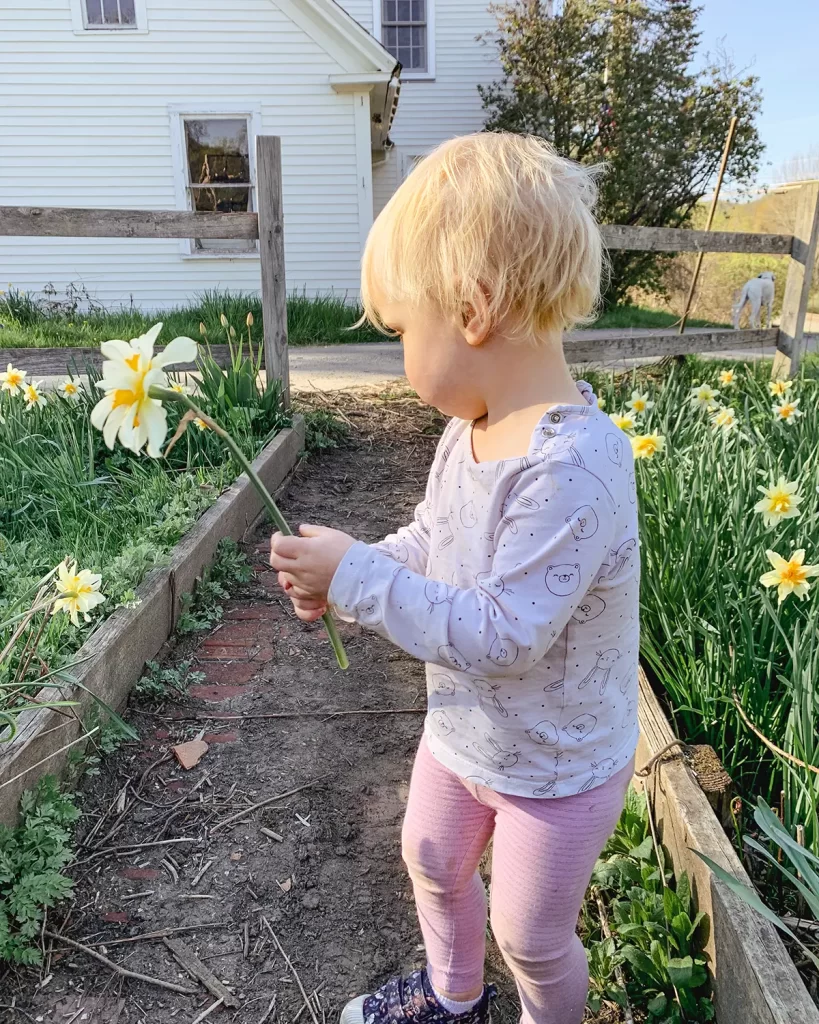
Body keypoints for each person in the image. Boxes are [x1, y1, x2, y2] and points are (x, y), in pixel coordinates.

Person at [269, 132, 639, 1024]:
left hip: (556, 767)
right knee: (432, 861)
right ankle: (452, 997)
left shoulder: (573, 467)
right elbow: (434, 537)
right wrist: (358, 569)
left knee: (532, 935)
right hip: (465, 733)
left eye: (402, 330)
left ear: (472, 308)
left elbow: (503, 634)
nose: (400, 355)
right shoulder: (467, 432)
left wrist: (359, 579)